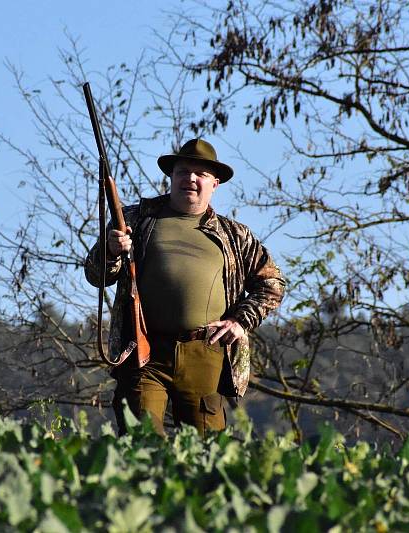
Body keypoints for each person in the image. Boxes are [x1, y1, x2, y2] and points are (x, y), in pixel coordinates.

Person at [85, 138, 286, 436]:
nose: (190, 179)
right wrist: (111, 250)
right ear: (171, 177)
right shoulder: (135, 220)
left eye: (200, 174)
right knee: (141, 442)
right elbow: (95, 274)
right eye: (182, 171)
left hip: (205, 352)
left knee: (207, 452)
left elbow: (272, 284)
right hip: (144, 351)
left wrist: (240, 321)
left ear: (214, 184)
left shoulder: (234, 235)